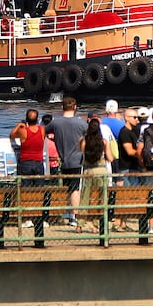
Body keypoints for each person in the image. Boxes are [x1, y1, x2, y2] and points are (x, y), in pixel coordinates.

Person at [51, 96, 88, 227]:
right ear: (75, 107)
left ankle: (68, 212)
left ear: (62, 107)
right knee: (75, 189)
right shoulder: (82, 124)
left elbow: (44, 131)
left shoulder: (55, 123)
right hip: (77, 160)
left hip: (63, 159)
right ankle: (74, 216)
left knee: (67, 188)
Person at [79, 118, 111, 233]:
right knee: (100, 198)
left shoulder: (84, 141)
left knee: (84, 197)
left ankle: (80, 224)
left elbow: (82, 153)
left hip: (88, 171)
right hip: (101, 171)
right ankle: (96, 224)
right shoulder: (104, 142)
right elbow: (110, 158)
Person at [11, 109, 47, 180]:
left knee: (26, 188)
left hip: (25, 162)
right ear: (37, 119)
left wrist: (18, 125)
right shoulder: (42, 130)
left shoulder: (23, 131)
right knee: (39, 188)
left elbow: (12, 135)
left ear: (26, 119)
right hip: (38, 162)